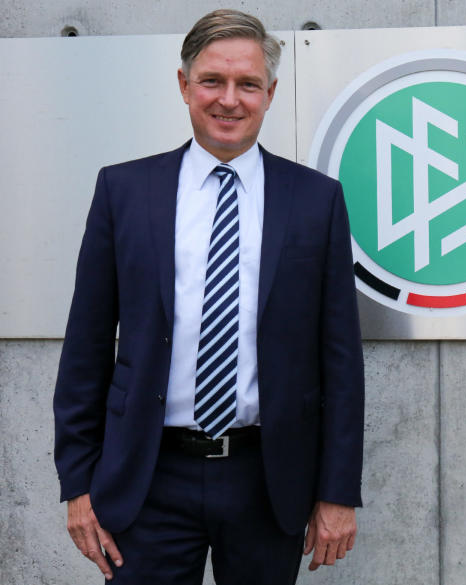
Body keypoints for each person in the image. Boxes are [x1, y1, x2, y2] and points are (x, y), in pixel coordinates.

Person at [52, 9, 364, 584]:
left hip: (269, 481)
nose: (229, 100)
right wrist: (77, 483)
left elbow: (340, 357)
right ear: (183, 85)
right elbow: (86, 345)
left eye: (247, 84)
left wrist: (338, 492)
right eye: (212, 81)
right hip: (146, 481)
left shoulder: (316, 200)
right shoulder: (124, 191)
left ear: (270, 93)